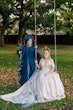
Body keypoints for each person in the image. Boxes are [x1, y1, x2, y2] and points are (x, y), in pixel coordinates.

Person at [0, 46, 65, 108]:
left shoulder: (51, 60)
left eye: (46, 53)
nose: (45, 54)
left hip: (49, 73)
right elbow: (39, 67)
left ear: (48, 54)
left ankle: (49, 95)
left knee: (49, 79)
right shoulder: (41, 60)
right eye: (44, 53)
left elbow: (53, 68)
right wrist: (36, 63)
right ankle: (41, 95)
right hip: (42, 72)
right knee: (40, 79)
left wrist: (48, 73)